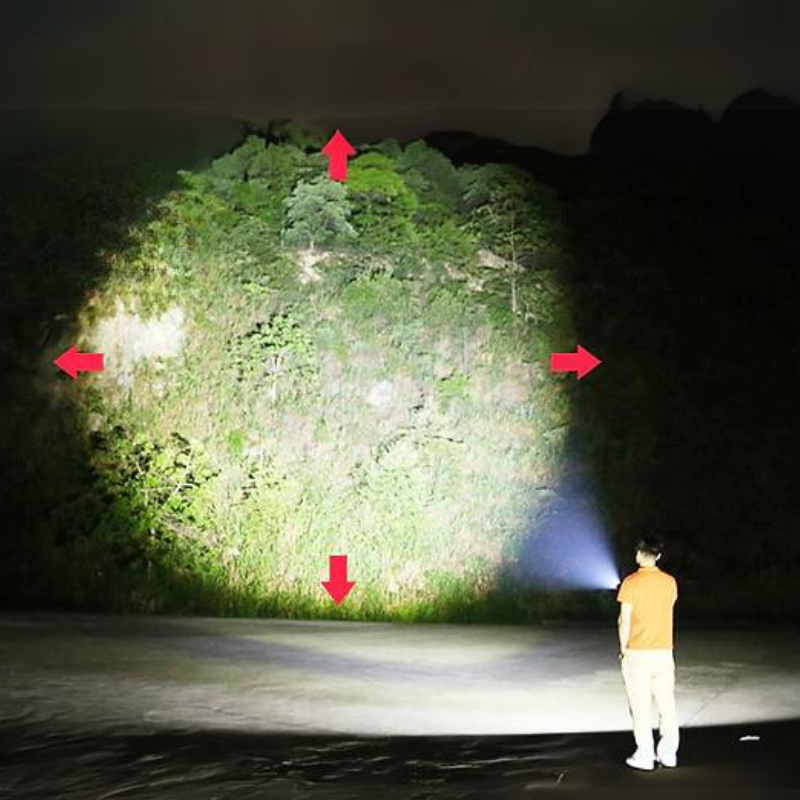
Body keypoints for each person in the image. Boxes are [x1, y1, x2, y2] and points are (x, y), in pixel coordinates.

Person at [616, 537, 679, 771]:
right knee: (666, 704)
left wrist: (623, 649)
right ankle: (668, 753)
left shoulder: (630, 583)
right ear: (658, 556)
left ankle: (645, 754)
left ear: (638, 554)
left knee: (640, 705)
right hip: (664, 651)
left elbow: (624, 620)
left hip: (638, 652)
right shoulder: (670, 582)